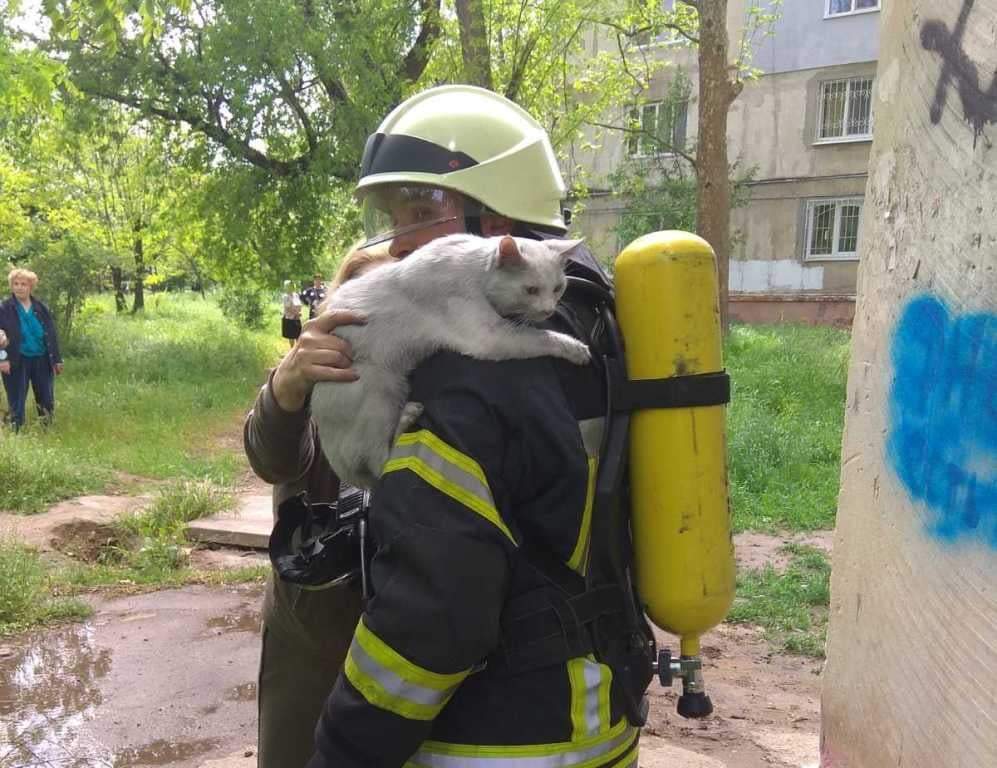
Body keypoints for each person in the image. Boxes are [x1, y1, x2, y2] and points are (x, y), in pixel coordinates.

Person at [244, 85, 639, 768]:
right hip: (594, 705)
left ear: (497, 228)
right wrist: (287, 387)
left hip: (490, 731)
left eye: (421, 211)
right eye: (393, 216)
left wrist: (341, 750)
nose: (401, 238)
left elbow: (434, 612)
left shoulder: (473, 368)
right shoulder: (594, 318)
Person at [0, 268, 64, 431]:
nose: (20, 287)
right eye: (16, 284)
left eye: (23, 284)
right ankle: (16, 431)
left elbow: (51, 334)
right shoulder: (4, 308)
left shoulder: (40, 307)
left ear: (30, 287)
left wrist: (56, 360)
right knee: (16, 398)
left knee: (46, 398)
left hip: (42, 358)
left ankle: (47, 429)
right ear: (11, 286)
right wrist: (2, 359)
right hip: (16, 359)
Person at [281, 280, 303, 349]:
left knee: (298, 335)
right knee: (291, 336)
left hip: (297, 318)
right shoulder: (285, 296)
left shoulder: (296, 295)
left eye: (292, 286)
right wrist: (296, 313)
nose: (291, 287)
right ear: (286, 287)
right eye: (289, 286)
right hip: (290, 318)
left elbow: (299, 305)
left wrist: (299, 312)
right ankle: (292, 350)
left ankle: (297, 350)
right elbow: (288, 308)